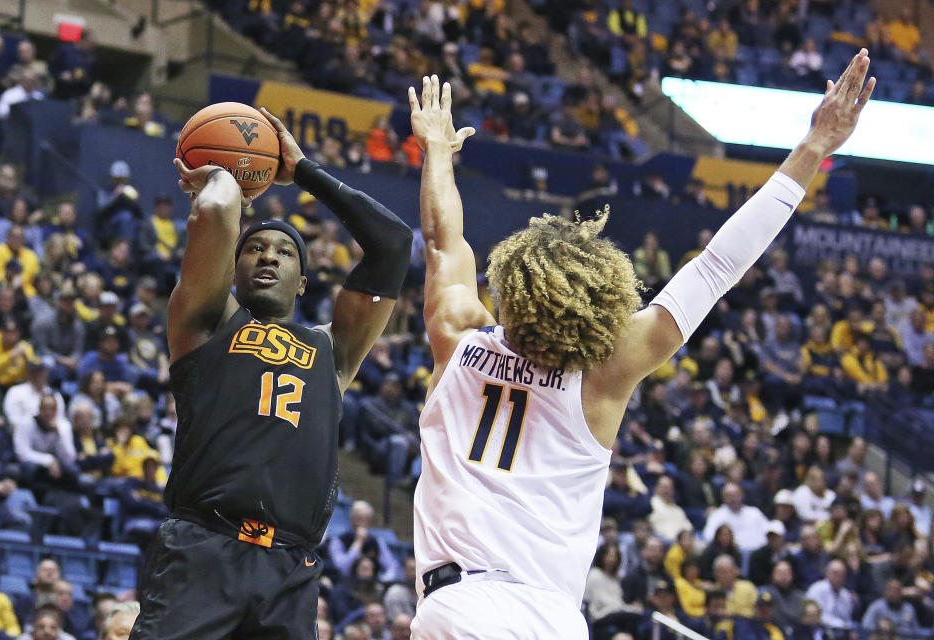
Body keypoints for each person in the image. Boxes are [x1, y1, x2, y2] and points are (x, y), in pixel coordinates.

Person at [408, 54, 874, 639]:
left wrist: (437, 153)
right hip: (552, 618)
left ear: (511, 286)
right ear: (597, 304)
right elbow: (717, 266)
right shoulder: (604, 372)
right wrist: (813, 147)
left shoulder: (456, 336)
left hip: (459, 606)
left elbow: (441, 238)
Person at [130, 106, 412, 639]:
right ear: (231, 269)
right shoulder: (205, 321)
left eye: (285, 251)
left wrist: (303, 169)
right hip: (203, 552)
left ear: (303, 282)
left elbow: (393, 243)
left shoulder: (334, 348)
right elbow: (214, 213)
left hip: (289, 568)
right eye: (254, 247)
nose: (268, 256)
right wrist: (225, 173)